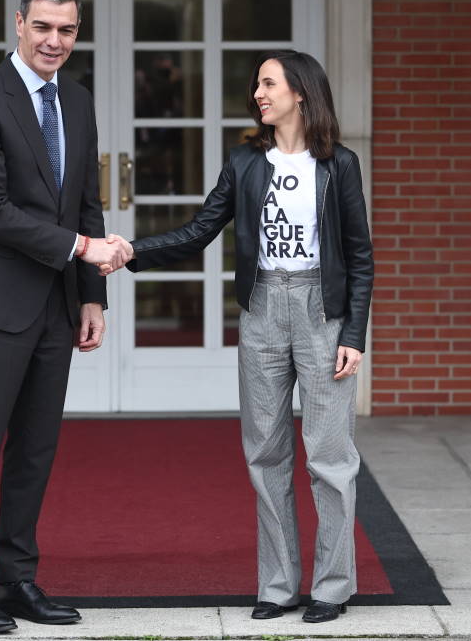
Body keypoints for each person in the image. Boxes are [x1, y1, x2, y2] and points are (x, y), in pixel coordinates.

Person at [109, 50, 373, 623]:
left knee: (330, 456)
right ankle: (277, 586)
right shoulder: (245, 162)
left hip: (321, 311)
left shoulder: (339, 164)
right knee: (265, 453)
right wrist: (133, 251)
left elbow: (360, 255)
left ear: (300, 92)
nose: (258, 93)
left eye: (269, 83)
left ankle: (332, 587)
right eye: (257, 84)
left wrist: (354, 332)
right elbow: (201, 230)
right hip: (262, 310)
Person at [0, 0, 132, 634]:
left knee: (35, 449)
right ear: (18, 23)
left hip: (56, 302)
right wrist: (81, 247)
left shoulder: (76, 100)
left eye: (67, 29)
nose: (54, 40)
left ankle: (16, 578)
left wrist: (93, 296)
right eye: (43, 26)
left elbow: (85, 201)